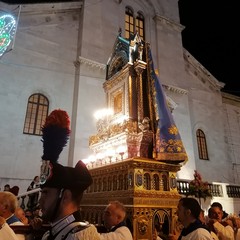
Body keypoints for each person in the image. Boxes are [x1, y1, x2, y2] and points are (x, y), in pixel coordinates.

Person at [33, 109, 100, 240]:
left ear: (65, 196)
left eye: (46, 193)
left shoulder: (81, 236)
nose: (40, 201)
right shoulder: (52, 233)